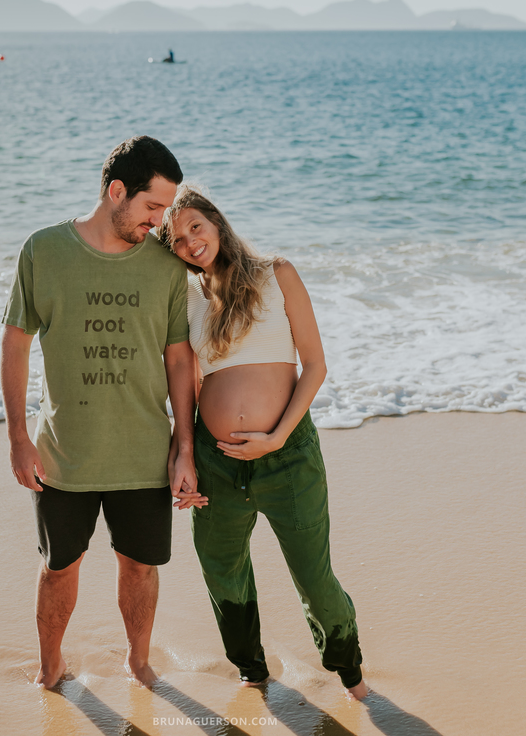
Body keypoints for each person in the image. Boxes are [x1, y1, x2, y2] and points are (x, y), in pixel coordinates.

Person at [1, 136, 207, 690]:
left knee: (141, 567)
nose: (159, 221)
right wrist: (18, 437)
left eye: (164, 209)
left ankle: (138, 662)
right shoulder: (43, 251)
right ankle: (51, 667)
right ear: (116, 191)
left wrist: (184, 448)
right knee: (60, 567)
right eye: (150, 207)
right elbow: (15, 342)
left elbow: (179, 362)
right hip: (64, 453)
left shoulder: (165, 268)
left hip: (142, 454)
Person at [159, 186, 369, 700]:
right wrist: (181, 455)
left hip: (288, 457)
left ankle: (352, 675)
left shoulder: (278, 274)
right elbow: (186, 382)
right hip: (217, 462)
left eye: (195, 226)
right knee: (221, 569)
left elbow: (315, 365)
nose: (189, 241)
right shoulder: (186, 299)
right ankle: (251, 671)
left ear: (216, 222)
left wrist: (276, 438)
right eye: (177, 237)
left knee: (314, 577)